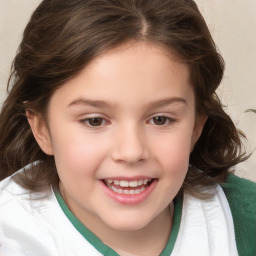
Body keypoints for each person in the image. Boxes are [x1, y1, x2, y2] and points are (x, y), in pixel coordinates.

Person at [0, 0, 255, 255]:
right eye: (95, 121)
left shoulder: (244, 219)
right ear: (42, 129)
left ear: (196, 127)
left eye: (160, 119)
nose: (131, 152)